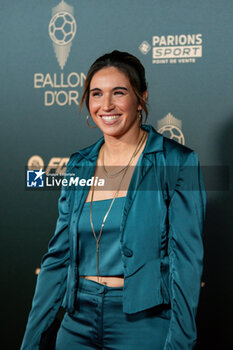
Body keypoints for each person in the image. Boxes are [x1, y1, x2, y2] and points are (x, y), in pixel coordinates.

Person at [21, 50, 206, 350]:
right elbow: (57, 259)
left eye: (118, 93)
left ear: (141, 98)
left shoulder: (176, 162)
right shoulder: (78, 164)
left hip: (143, 324)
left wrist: (180, 343)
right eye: (96, 94)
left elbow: (186, 265)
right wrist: (30, 342)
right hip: (77, 321)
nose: (106, 105)